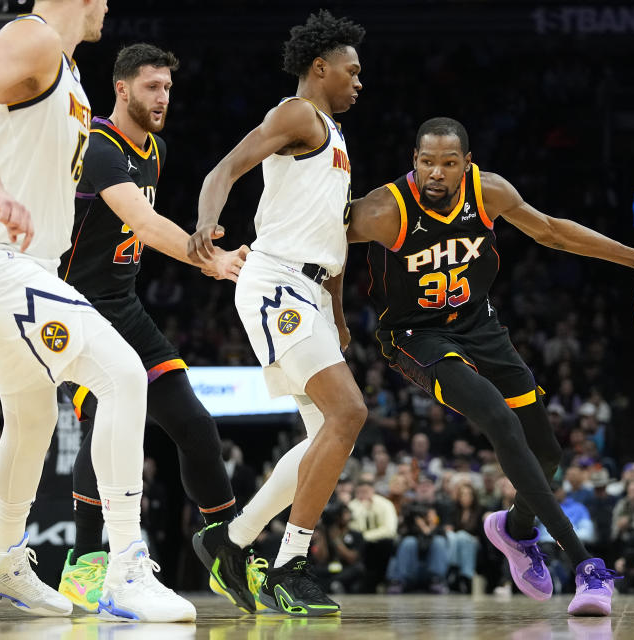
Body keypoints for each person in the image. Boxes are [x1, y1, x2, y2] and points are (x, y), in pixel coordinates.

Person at [347, 116, 634, 615]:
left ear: (467, 164)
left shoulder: (489, 192)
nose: (437, 174)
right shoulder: (384, 210)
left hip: (478, 325)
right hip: (415, 335)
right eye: (427, 162)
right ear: (414, 161)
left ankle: (514, 532)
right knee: (499, 419)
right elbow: (321, 239)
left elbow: (553, 232)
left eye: (449, 163)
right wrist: (330, 317)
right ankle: (586, 567)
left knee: (547, 453)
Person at [0, 1, 193, 621]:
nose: (111, 5)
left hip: (21, 264)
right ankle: (124, 570)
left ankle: (1, 557)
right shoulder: (32, 38)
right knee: (121, 375)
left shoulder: (68, 74)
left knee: (33, 415)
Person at [51, 42, 248, 613]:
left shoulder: (154, 150)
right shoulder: (98, 145)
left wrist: (195, 252)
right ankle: (88, 563)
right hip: (72, 308)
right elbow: (144, 221)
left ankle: (227, 549)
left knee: (195, 425)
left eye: (166, 87)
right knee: (110, 426)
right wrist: (205, 257)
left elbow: (141, 234)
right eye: (151, 87)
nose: (162, 97)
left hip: (123, 304)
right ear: (122, 88)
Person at [188, 10, 367, 616]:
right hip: (276, 282)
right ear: (320, 69)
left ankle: (231, 541)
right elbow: (225, 169)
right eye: (352, 70)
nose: (358, 82)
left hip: (312, 289)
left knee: (327, 437)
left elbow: (334, 239)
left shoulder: (339, 139)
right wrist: (207, 223)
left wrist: (337, 312)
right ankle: (290, 564)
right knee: (350, 412)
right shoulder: (299, 115)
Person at [348, 479, 397, 592]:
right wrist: (363, 510)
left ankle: (382, 581)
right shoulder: (353, 506)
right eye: (360, 492)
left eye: (366, 491)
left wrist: (366, 536)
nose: (363, 495)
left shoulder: (385, 504)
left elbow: (390, 530)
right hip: (361, 544)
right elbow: (353, 529)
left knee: (384, 545)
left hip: (381, 543)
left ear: (372, 491)